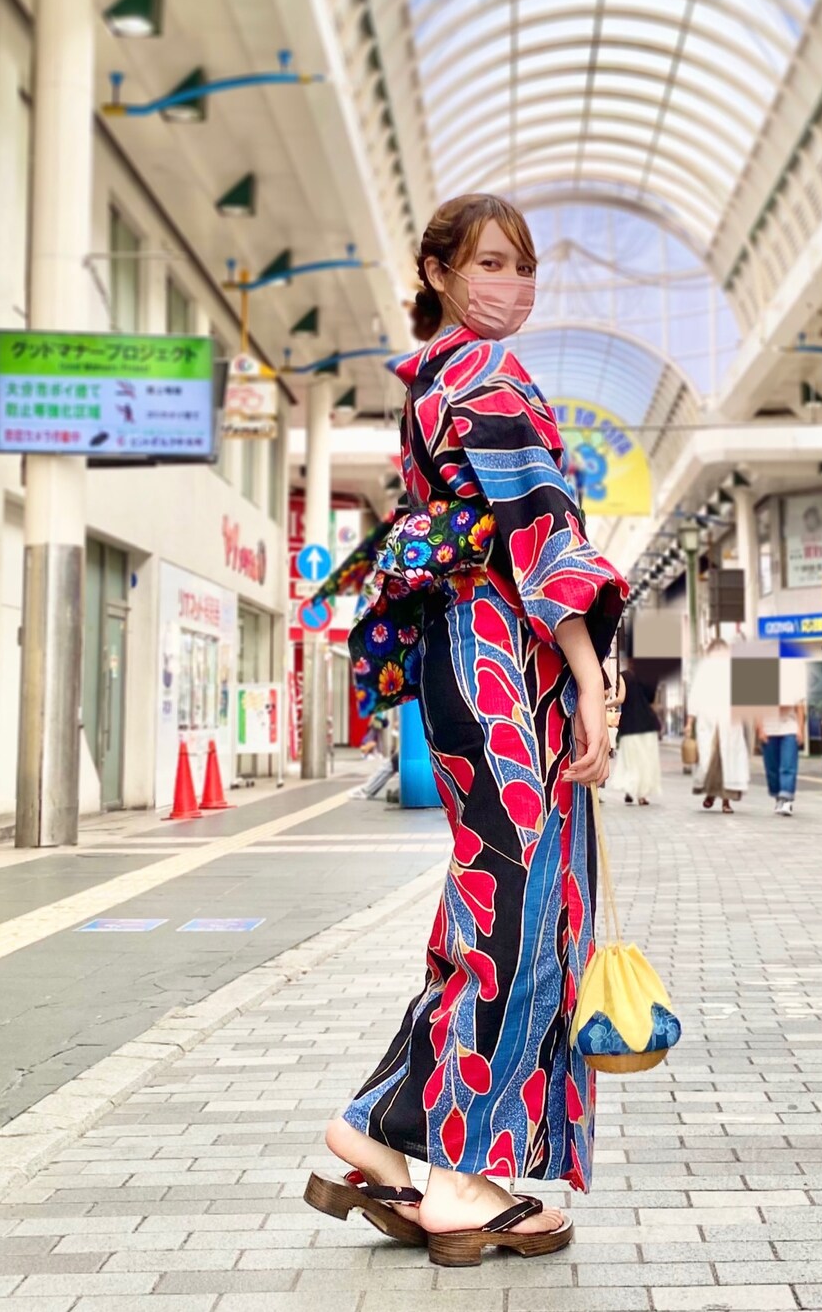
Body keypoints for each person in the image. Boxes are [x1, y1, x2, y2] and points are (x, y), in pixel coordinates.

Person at [307, 194, 627, 1264]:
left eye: (524, 266)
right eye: (491, 262)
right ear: (437, 271)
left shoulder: (433, 380)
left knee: (489, 896)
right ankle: (458, 1177)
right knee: (524, 907)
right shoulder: (486, 375)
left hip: (462, 656)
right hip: (506, 665)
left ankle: (381, 1126)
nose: (514, 285)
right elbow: (539, 531)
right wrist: (590, 679)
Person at [685, 639, 750, 814]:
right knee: (710, 761)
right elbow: (695, 697)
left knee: (727, 763)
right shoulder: (704, 671)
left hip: (730, 724)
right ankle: (711, 793)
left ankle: (726, 801)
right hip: (709, 722)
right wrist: (690, 722)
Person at [759, 662, 807, 816]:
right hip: (769, 729)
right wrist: (760, 729)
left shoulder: (794, 682)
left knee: (788, 765)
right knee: (772, 769)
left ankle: (786, 800)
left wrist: (800, 730)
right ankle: (778, 797)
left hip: (789, 729)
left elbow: (800, 708)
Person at [613, 665, 662, 806]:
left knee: (630, 760)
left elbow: (620, 699)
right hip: (648, 724)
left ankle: (630, 790)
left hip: (631, 724)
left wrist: (604, 704)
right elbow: (652, 701)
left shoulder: (625, 675)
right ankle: (642, 796)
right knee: (646, 761)